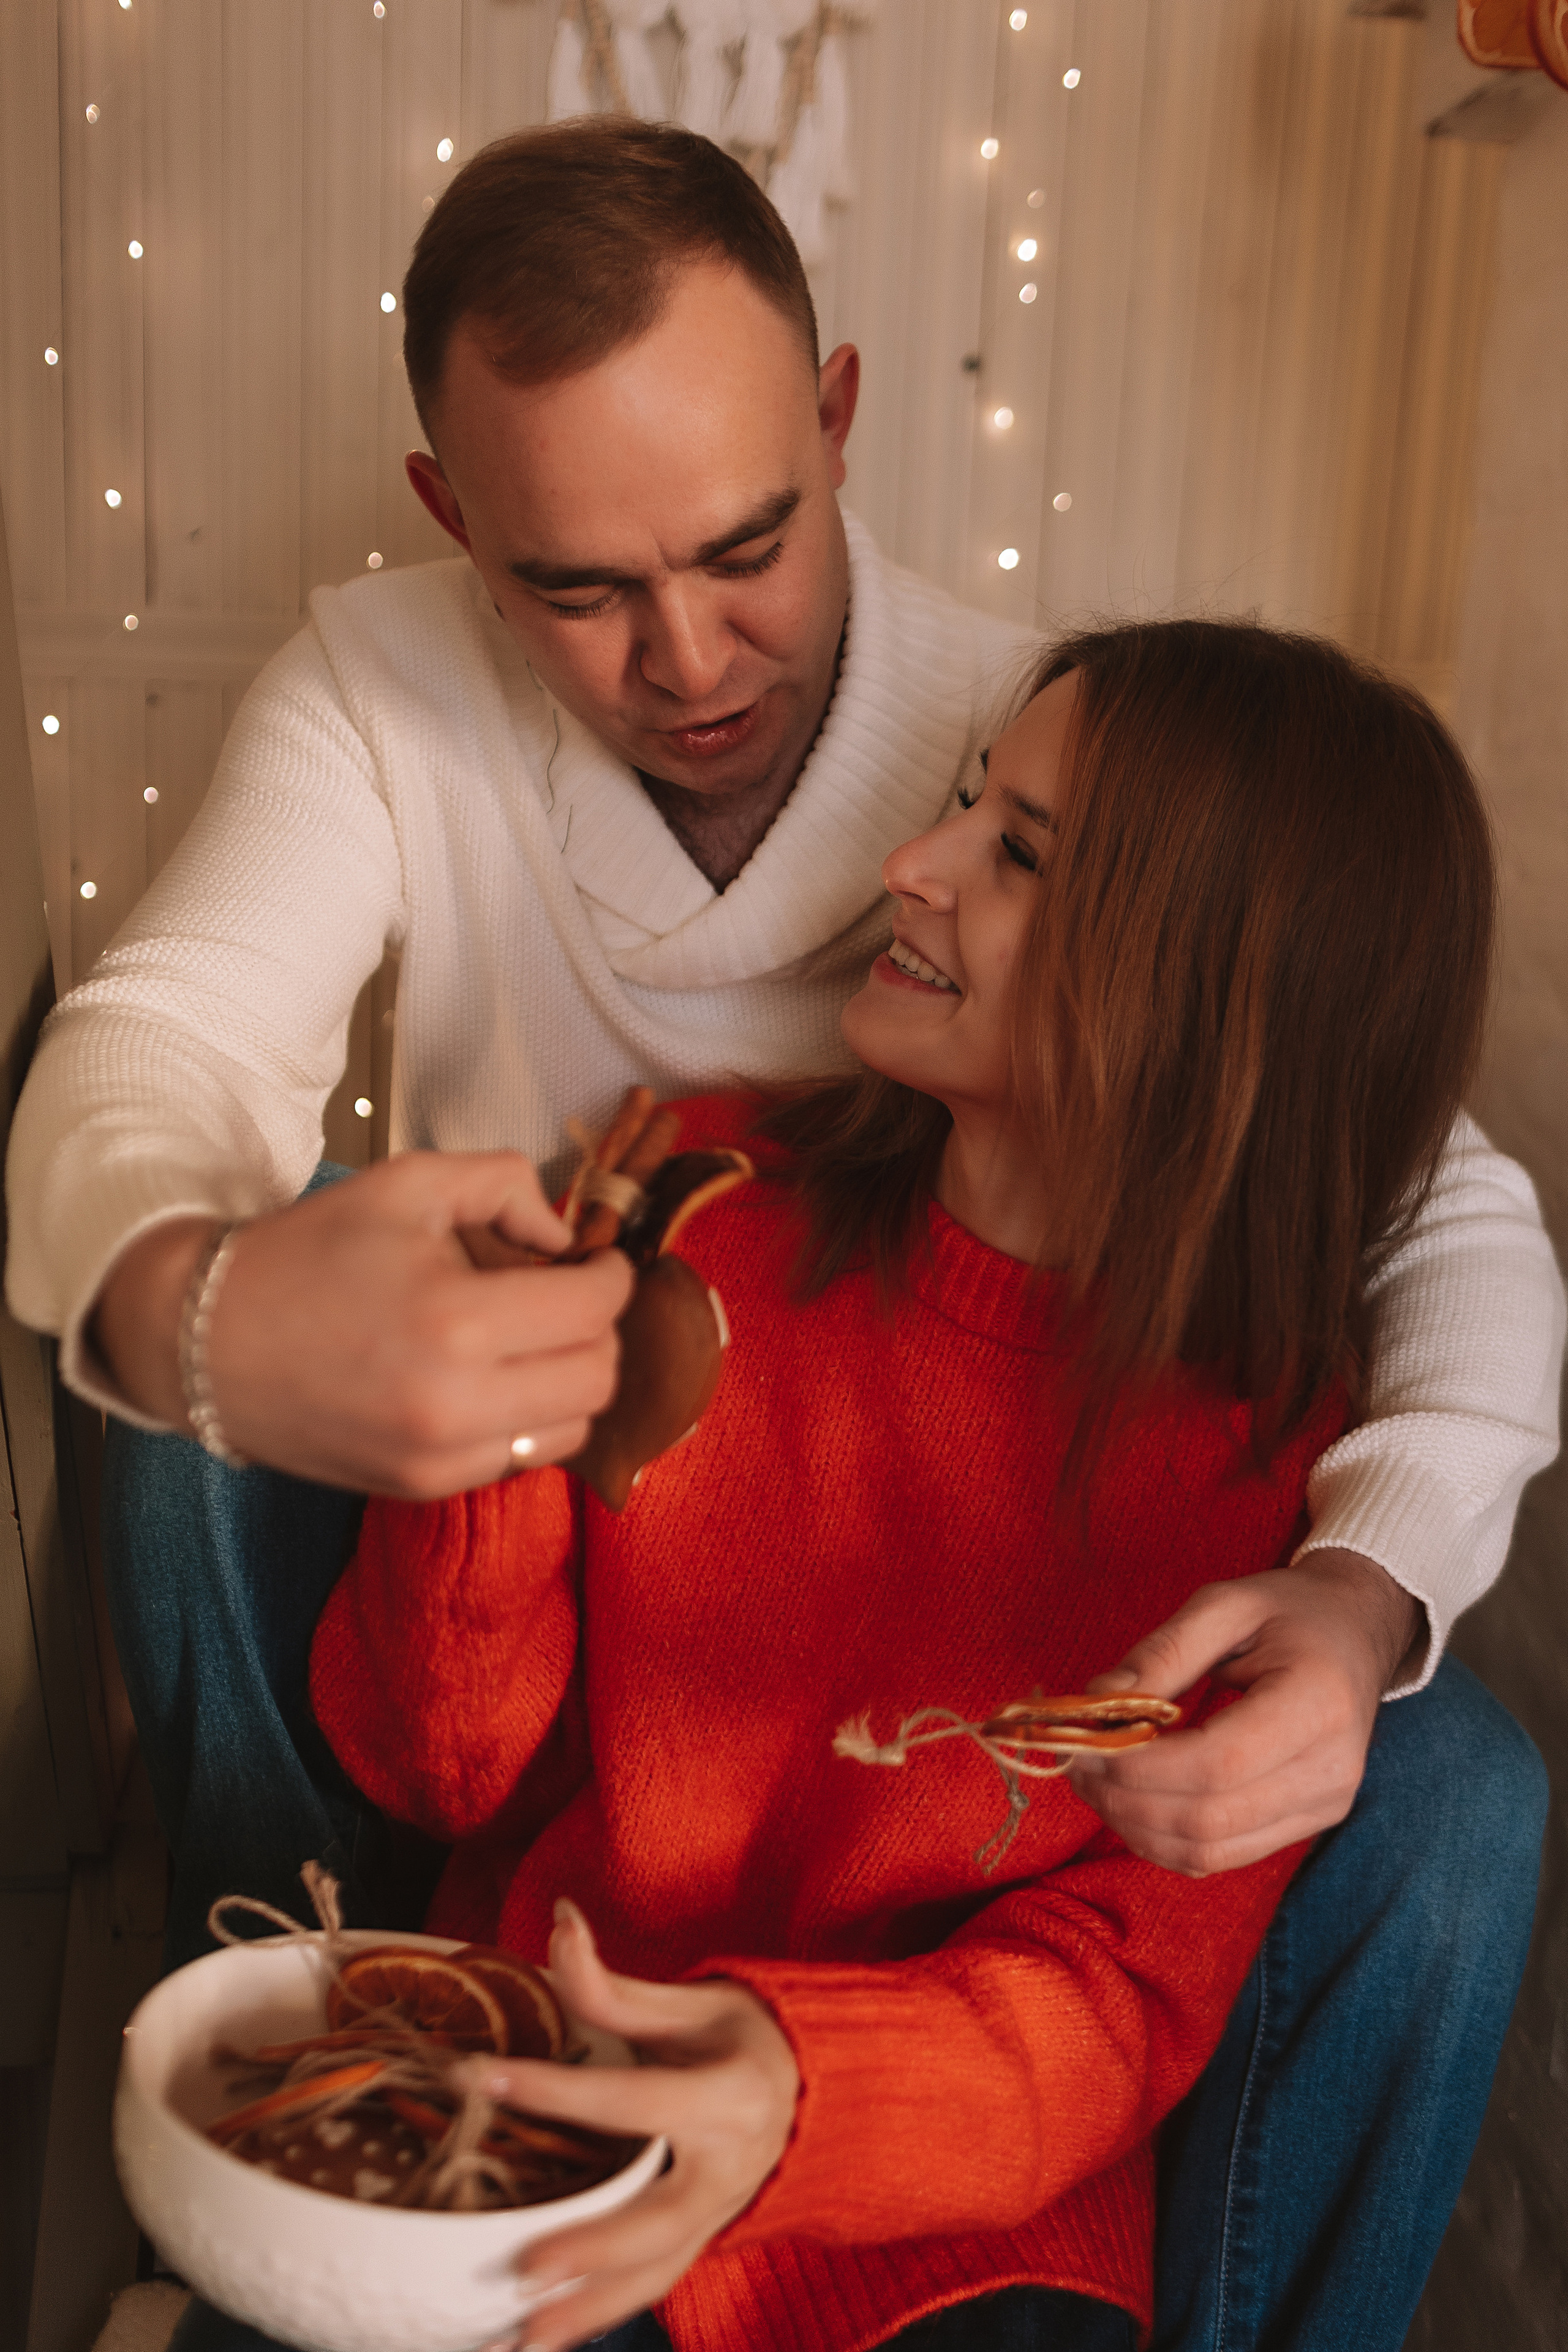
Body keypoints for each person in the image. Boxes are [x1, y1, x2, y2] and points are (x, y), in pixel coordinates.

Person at [3, 122, 1558, 2350]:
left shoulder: (1085, 744)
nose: (691, 655)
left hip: (938, 2063)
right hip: (562, 1621)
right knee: (197, 1320)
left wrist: (1355, 1580)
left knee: (1458, 1781)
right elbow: (157, 1050)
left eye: (749, 542)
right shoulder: (394, 707)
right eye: (577, 589)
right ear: (456, 524)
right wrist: (231, 1315)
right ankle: (301, 2037)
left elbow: (1422, 1183)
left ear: (838, 420)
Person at [173, 619, 1515, 2352]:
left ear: (1203, 999)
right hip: (549, 2094)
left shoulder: (1284, 1471)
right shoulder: (693, 1202)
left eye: (1016, 854)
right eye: (969, 800)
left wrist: (805, 2095)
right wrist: (486, 1439)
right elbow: (440, 1766)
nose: (913, 864)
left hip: (956, 2218)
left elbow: (1119, 1998)